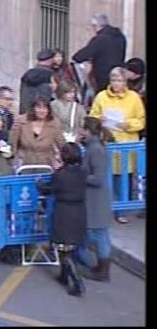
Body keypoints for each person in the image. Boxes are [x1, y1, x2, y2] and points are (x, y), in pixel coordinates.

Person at [88, 67, 145, 224]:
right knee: (106, 178)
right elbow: (92, 116)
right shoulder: (101, 96)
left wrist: (126, 125)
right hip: (107, 143)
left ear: (125, 82)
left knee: (124, 179)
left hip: (126, 144)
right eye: (113, 80)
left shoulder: (134, 98)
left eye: (120, 80)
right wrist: (100, 121)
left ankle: (121, 211)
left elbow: (140, 120)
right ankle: (105, 210)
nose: (116, 83)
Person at [36, 143, 87, 297]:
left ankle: (77, 284)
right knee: (70, 248)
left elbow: (48, 189)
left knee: (64, 251)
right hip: (79, 212)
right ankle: (64, 276)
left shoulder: (60, 174)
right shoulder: (82, 172)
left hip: (64, 214)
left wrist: (38, 183)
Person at [75, 117, 114, 282]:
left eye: (82, 129)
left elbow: (97, 178)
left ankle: (103, 271)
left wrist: (79, 175)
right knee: (99, 234)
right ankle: (101, 267)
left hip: (96, 200)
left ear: (88, 130)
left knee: (100, 234)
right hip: (95, 199)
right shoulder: (93, 147)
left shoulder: (95, 150)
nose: (80, 132)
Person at [71, 13, 126, 93]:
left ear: (96, 26)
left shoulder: (100, 38)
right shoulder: (120, 37)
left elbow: (83, 55)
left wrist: (77, 58)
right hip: (117, 73)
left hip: (102, 76)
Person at [9, 96, 65, 170]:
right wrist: (14, 161)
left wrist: (61, 161)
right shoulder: (21, 121)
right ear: (33, 109)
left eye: (45, 108)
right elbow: (13, 143)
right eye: (39, 107)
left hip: (47, 164)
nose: (42, 111)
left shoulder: (55, 124)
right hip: (24, 164)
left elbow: (62, 145)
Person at [19, 49, 57, 114]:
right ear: (50, 60)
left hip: (25, 112)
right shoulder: (49, 75)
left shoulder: (28, 73)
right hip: (40, 114)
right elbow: (46, 96)